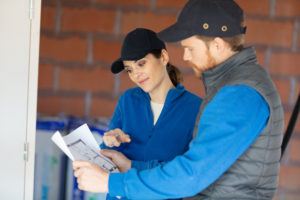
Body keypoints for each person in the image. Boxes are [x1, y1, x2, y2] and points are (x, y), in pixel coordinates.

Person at [73, 0, 284, 199]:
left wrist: (113, 183)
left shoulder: (239, 94)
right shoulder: (236, 87)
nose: (185, 57)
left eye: (190, 48)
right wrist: (130, 166)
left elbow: (191, 174)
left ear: (217, 45)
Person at [92, 28, 202, 200]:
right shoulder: (127, 100)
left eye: (141, 64)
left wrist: (130, 166)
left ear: (164, 57)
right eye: (129, 69)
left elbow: (186, 173)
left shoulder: (195, 109)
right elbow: (107, 160)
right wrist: (111, 143)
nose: (136, 74)